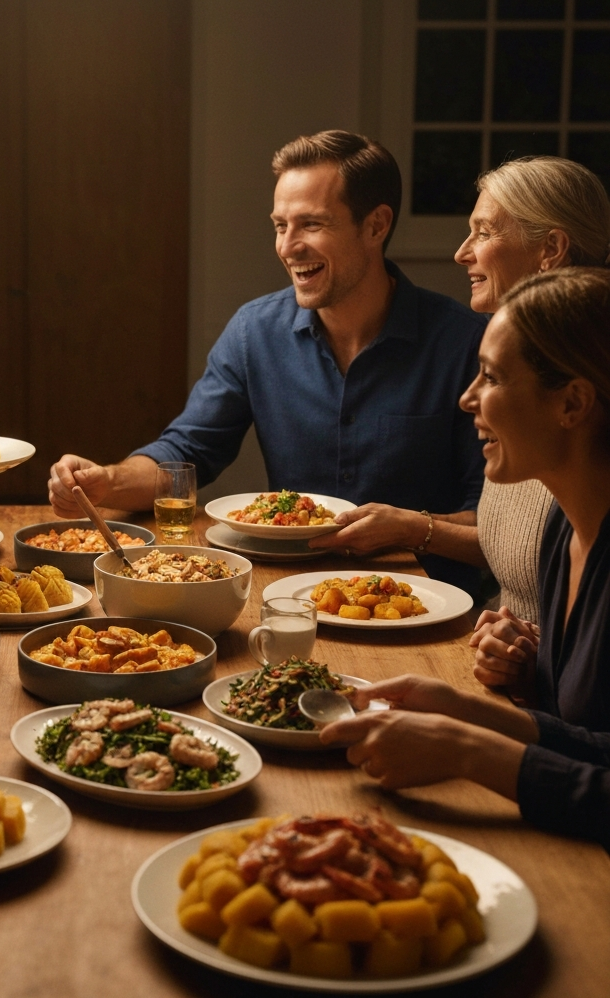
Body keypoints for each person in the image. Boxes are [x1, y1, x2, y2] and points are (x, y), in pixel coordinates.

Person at [48, 131, 487, 588]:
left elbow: (493, 524)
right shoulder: (254, 331)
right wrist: (105, 482)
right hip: (289, 589)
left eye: (312, 225)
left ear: (376, 225)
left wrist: (414, 529)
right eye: (281, 225)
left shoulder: (467, 345)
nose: (287, 246)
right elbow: (186, 453)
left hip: (429, 603)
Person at [319, 267, 610, 848]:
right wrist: (458, 707)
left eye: (491, 377)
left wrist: (466, 750)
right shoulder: (565, 527)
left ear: (572, 402)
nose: (466, 397)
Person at [313, 156, 610, 630]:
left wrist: (415, 529)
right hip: (503, 649)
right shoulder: (510, 359)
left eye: (485, 232)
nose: (461, 252)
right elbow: (510, 542)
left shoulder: (555, 390)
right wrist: (411, 526)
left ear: (551, 248)